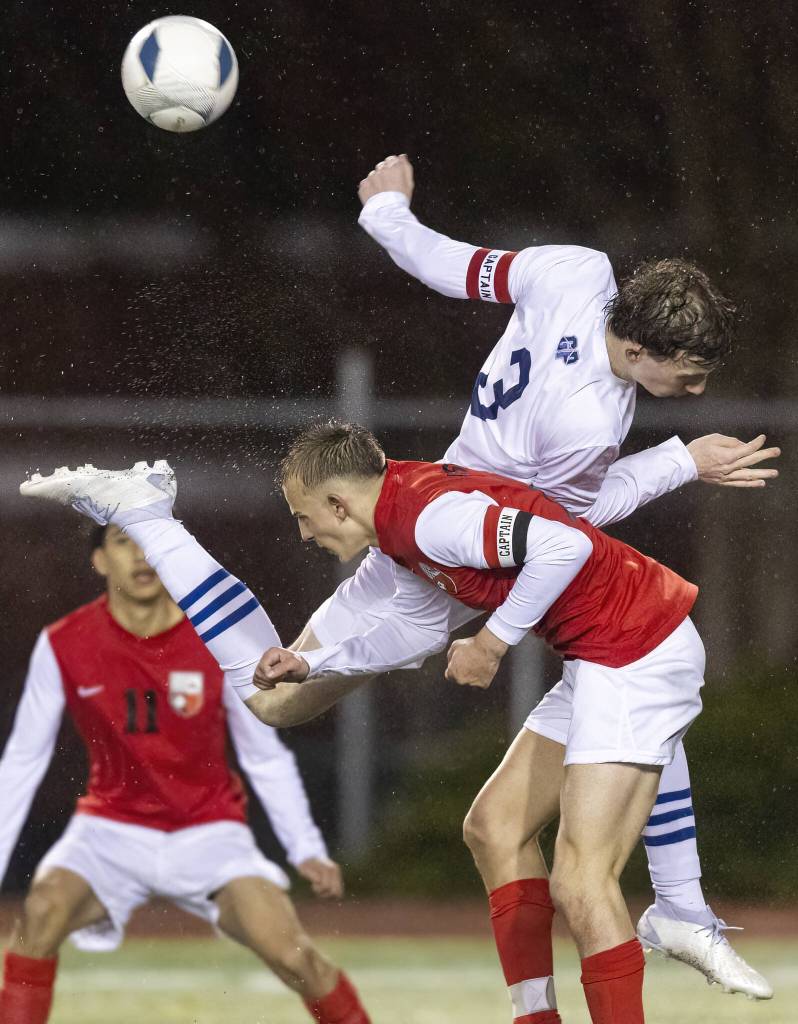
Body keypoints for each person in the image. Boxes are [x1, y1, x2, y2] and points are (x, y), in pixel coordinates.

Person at [18, 155, 779, 1001]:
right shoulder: (587, 421)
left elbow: (458, 268)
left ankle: (674, 911)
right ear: (636, 345)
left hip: (442, 516)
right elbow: (567, 532)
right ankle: (152, 514)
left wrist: (388, 217)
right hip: (462, 547)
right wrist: (675, 462)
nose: (695, 389)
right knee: (277, 700)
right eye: (687, 375)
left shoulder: (579, 271)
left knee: (288, 696)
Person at [18, 424, 711, 1024]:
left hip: (613, 643)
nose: (302, 532)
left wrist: (494, 642)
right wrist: (312, 660)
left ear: (338, 502)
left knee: (581, 881)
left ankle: (150, 518)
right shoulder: (399, 524)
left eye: (303, 516)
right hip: (450, 596)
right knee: (284, 703)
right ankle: (151, 519)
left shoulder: (433, 518)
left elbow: (564, 547)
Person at [0, 522, 371, 1024]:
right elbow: (23, 758)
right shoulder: (63, 643)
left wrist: (303, 845)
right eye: (123, 542)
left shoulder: (216, 638)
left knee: (295, 955)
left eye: (148, 542)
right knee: (40, 915)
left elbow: (263, 751)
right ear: (100, 560)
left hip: (211, 834)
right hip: (109, 832)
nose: (140, 556)